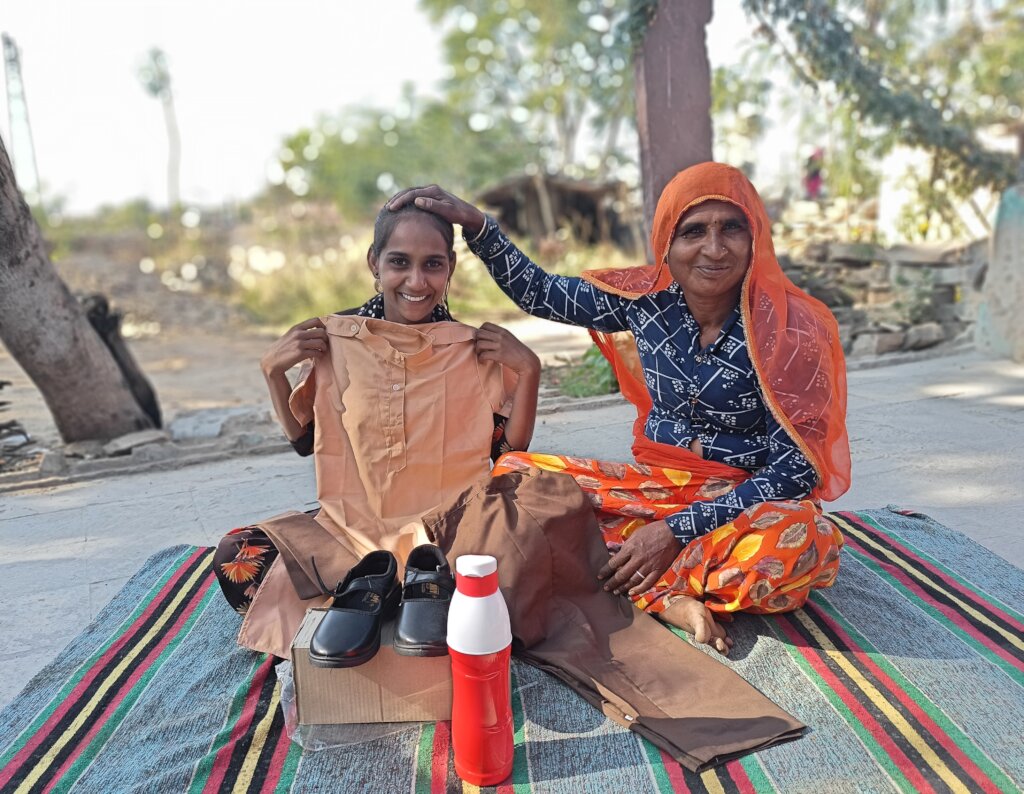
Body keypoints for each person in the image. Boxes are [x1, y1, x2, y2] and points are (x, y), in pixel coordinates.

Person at [388, 162, 851, 655]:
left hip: (747, 503)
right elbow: (541, 292)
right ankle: (665, 590)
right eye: (694, 231)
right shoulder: (645, 302)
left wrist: (675, 531)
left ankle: (635, 580)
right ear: (666, 242)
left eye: (731, 228)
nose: (714, 249)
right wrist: (479, 227)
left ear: (755, 235)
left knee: (802, 540)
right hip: (653, 488)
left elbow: (796, 468)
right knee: (515, 478)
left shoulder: (792, 327)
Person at [212, 201, 541, 619]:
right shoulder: (335, 340)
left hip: (452, 536)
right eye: (399, 262)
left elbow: (506, 452)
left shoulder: (472, 348)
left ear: (451, 268)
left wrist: (529, 369)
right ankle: (407, 600)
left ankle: (371, 604)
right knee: (237, 556)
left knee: (541, 551)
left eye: (432, 264)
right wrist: (272, 373)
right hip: (354, 532)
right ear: (375, 262)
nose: (416, 281)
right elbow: (304, 442)